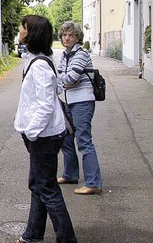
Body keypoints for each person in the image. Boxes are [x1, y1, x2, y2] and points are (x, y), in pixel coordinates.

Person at [14, 15, 77, 243]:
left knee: (47, 188)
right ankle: (32, 235)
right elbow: (57, 86)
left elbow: (45, 105)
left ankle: (67, 238)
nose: (19, 30)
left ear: (31, 34)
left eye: (23, 27)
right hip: (43, 134)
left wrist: (31, 132)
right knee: (38, 184)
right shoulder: (37, 58)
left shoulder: (40, 65)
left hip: (44, 136)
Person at [57, 21, 103, 195]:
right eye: (64, 35)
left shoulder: (81, 54)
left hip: (83, 102)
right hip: (69, 101)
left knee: (84, 141)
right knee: (66, 139)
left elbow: (69, 78)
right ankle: (70, 174)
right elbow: (61, 78)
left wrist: (67, 80)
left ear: (77, 38)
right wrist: (66, 80)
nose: (67, 38)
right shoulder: (65, 55)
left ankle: (93, 183)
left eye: (71, 35)